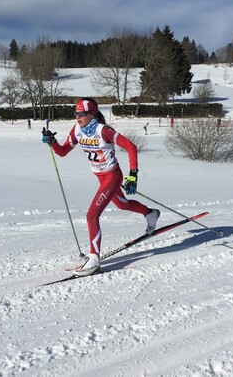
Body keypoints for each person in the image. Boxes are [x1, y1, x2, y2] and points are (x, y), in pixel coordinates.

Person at [42, 97, 160, 277]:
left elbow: (131, 147)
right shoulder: (77, 130)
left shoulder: (103, 131)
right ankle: (151, 213)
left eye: (81, 114)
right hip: (101, 177)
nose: (77, 117)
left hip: (112, 176)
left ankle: (94, 260)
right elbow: (63, 152)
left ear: (93, 114)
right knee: (122, 204)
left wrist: (133, 175)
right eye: (76, 113)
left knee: (91, 215)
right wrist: (52, 142)